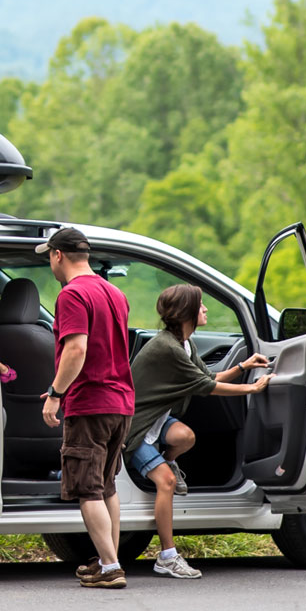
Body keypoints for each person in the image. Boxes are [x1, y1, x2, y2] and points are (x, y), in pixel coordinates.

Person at [125, 284, 273, 579]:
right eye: (201, 305)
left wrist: (243, 365)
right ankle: (167, 556)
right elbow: (209, 388)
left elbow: (206, 376)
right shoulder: (167, 348)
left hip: (157, 420)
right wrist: (252, 387)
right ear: (186, 313)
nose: (205, 309)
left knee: (186, 437)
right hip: (135, 429)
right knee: (166, 483)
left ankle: (165, 460)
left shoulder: (183, 344)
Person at [37, 227, 135, 589]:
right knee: (106, 486)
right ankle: (109, 560)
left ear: (58, 255)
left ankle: (110, 567)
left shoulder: (72, 295)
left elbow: (76, 349)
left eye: (49, 256)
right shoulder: (115, 293)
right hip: (120, 402)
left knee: (87, 488)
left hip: (90, 403)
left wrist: (55, 393)